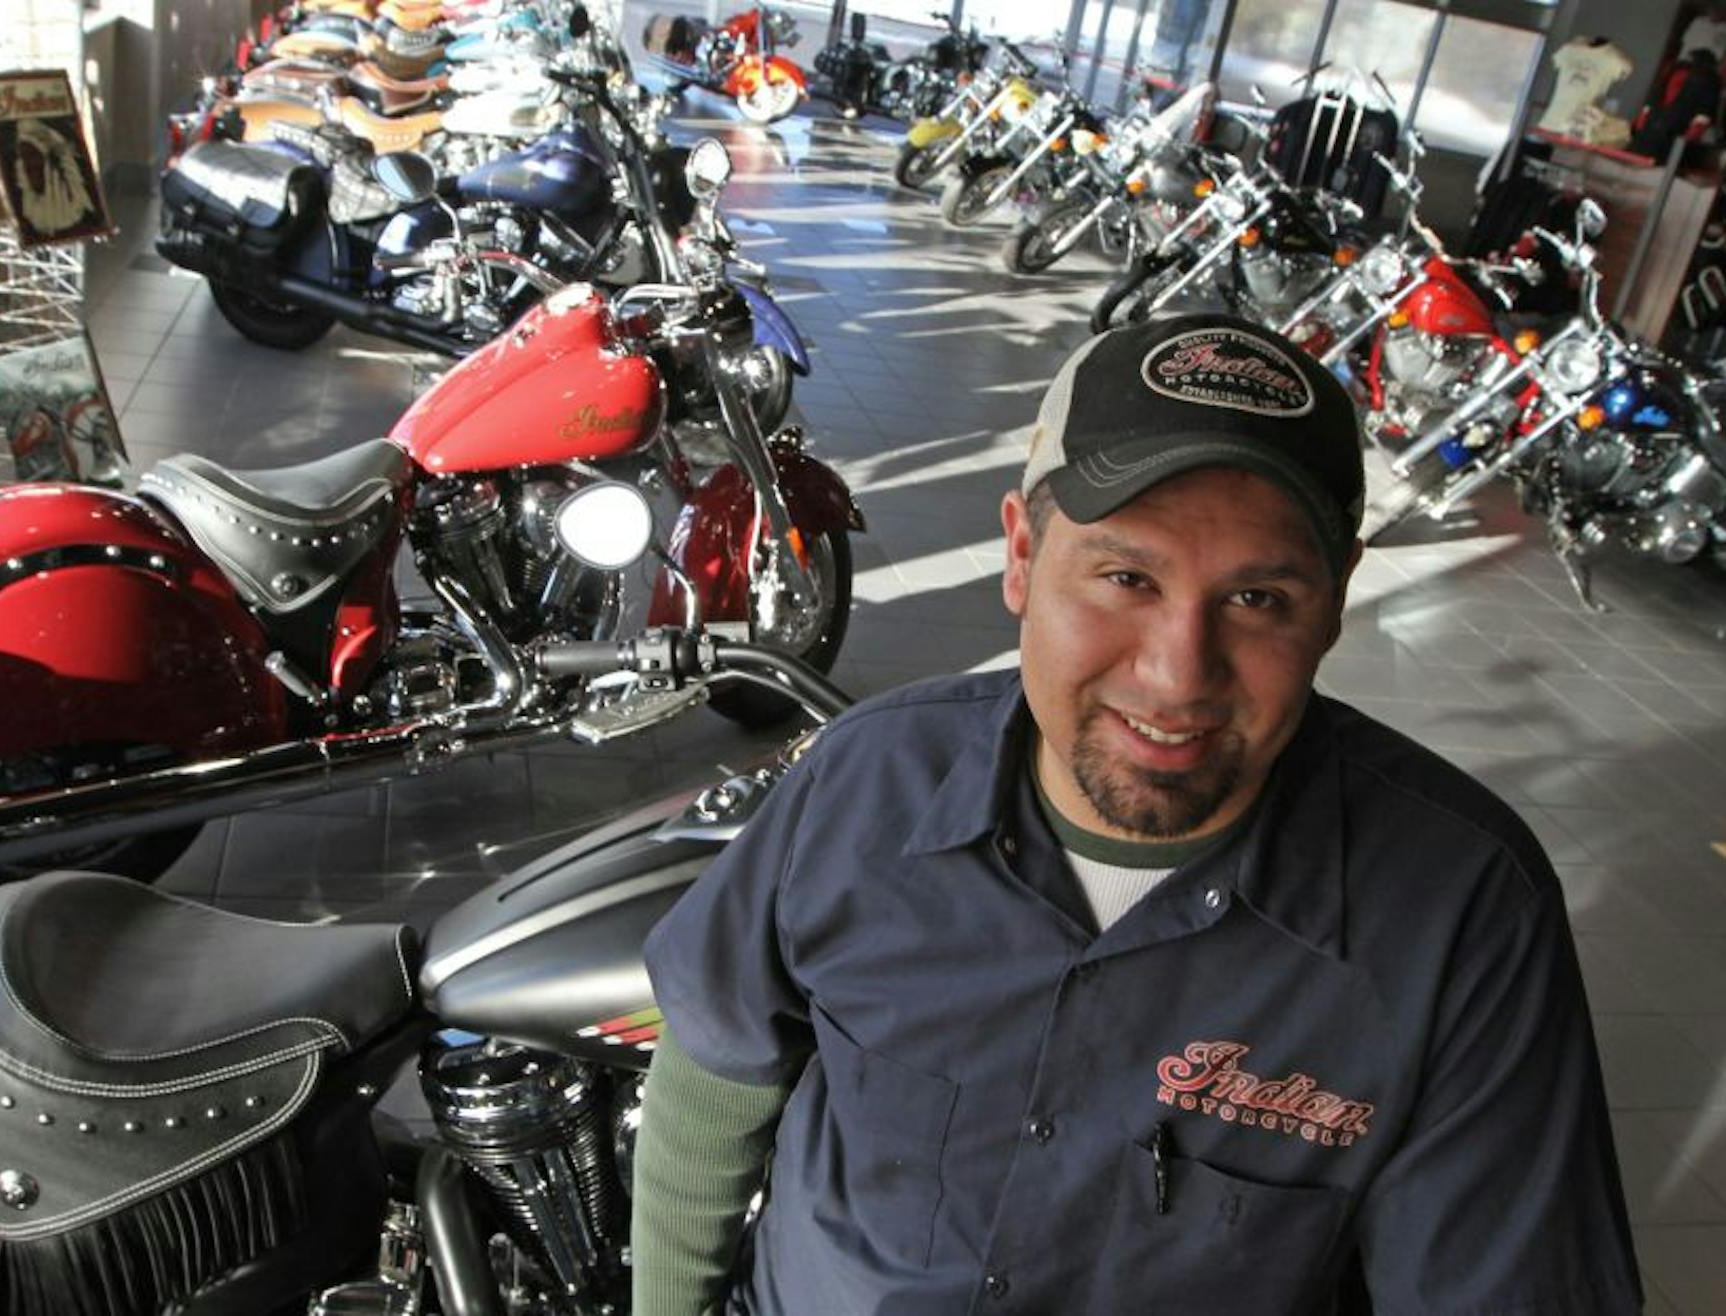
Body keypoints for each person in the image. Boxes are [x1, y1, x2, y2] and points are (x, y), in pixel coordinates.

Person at [633, 314, 1642, 1315]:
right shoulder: (863, 781)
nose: (1175, 674)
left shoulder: (1463, 914)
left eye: (1257, 598)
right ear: (1022, 556)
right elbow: (717, 1071)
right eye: (1126, 577)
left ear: (1333, 605)